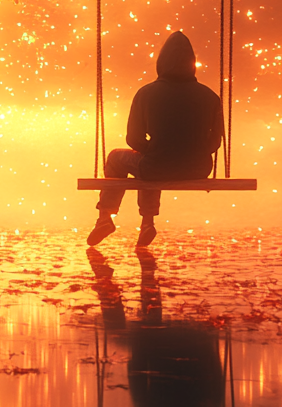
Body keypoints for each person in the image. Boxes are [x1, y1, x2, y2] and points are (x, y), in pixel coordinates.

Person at [88, 31, 223, 248]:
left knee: (124, 159)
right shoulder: (210, 96)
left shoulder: (147, 93)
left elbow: (133, 138)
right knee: (152, 162)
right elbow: (215, 143)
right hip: (198, 168)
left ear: (161, 62)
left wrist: (155, 150)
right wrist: (193, 153)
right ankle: (146, 224)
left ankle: (107, 217)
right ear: (193, 64)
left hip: (156, 166)